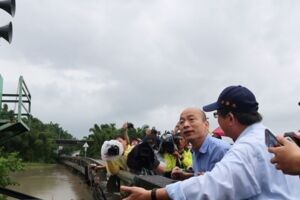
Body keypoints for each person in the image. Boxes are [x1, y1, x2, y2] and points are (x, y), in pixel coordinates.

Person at [121, 85, 300, 200]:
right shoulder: (264, 137)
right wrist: (186, 175)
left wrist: (151, 195)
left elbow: (210, 186)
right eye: (181, 121)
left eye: (217, 115)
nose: (185, 125)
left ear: (229, 118)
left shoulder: (244, 149)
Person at [171, 107, 230, 180]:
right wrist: (184, 175)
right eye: (181, 122)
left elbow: (228, 184)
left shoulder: (221, 150)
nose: (185, 125)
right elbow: (204, 177)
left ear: (206, 125)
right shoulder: (195, 150)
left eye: (191, 119)